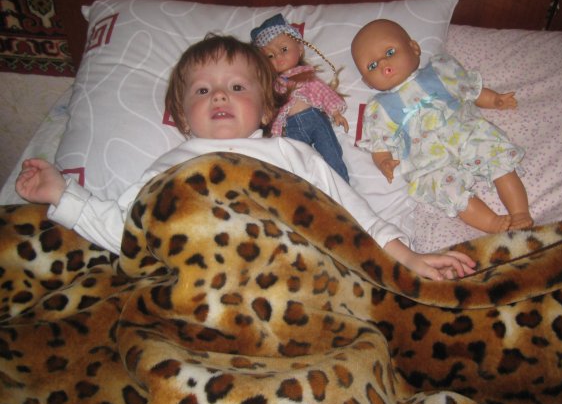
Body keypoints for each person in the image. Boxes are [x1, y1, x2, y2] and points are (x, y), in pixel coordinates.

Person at [16, 34, 475, 281]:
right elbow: (128, 233)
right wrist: (63, 195)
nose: (219, 95)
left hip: (290, 281)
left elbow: (351, 216)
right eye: (202, 90)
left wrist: (406, 257)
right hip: (196, 290)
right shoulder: (171, 165)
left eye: (236, 87)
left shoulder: (289, 153)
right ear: (182, 114)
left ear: (267, 108)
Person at [351, 19, 533, 233]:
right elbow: (379, 144)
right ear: (367, 82)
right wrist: (384, 162)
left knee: (497, 158)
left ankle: (520, 213)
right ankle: (492, 223)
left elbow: (468, 91)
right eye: (372, 66)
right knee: (446, 189)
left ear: (414, 48)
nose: (383, 64)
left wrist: (494, 100)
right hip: (429, 160)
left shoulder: (439, 71)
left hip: (466, 134)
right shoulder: (378, 108)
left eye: (390, 52)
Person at [251, 13, 350, 182]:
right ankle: (307, 190)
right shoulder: (271, 87)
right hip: (290, 128)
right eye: (270, 56)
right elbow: (268, 110)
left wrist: (335, 113)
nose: (279, 57)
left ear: (300, 48)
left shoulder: (305, 76)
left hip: (314, 118)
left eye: (284, 50)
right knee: (295, 163)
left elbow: (322, 92)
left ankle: (343, 184)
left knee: (331, 152)